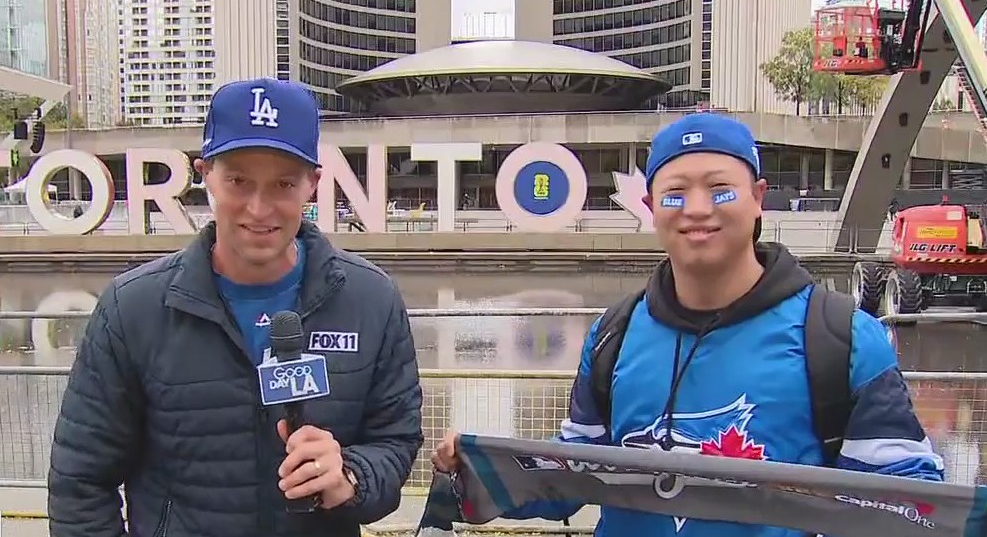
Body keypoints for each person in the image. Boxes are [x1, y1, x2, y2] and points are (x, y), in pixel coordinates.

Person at [431, 113, 944, 537]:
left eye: (721, 190)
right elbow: (573, 472)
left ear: (758, 197)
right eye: (675, 194)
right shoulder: (613, 335)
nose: (697, 210)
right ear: (651, 207)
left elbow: (910, 505)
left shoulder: (843, 338)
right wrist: (479, 467)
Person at [47, 77, 424, 537]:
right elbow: (80, 483)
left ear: (313, 183)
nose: (259, 209)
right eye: (239, 181)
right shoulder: (132, 308)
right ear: (205, 174)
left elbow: (395, 441)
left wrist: (351, 476)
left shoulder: (371, 299)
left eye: (283, 183)